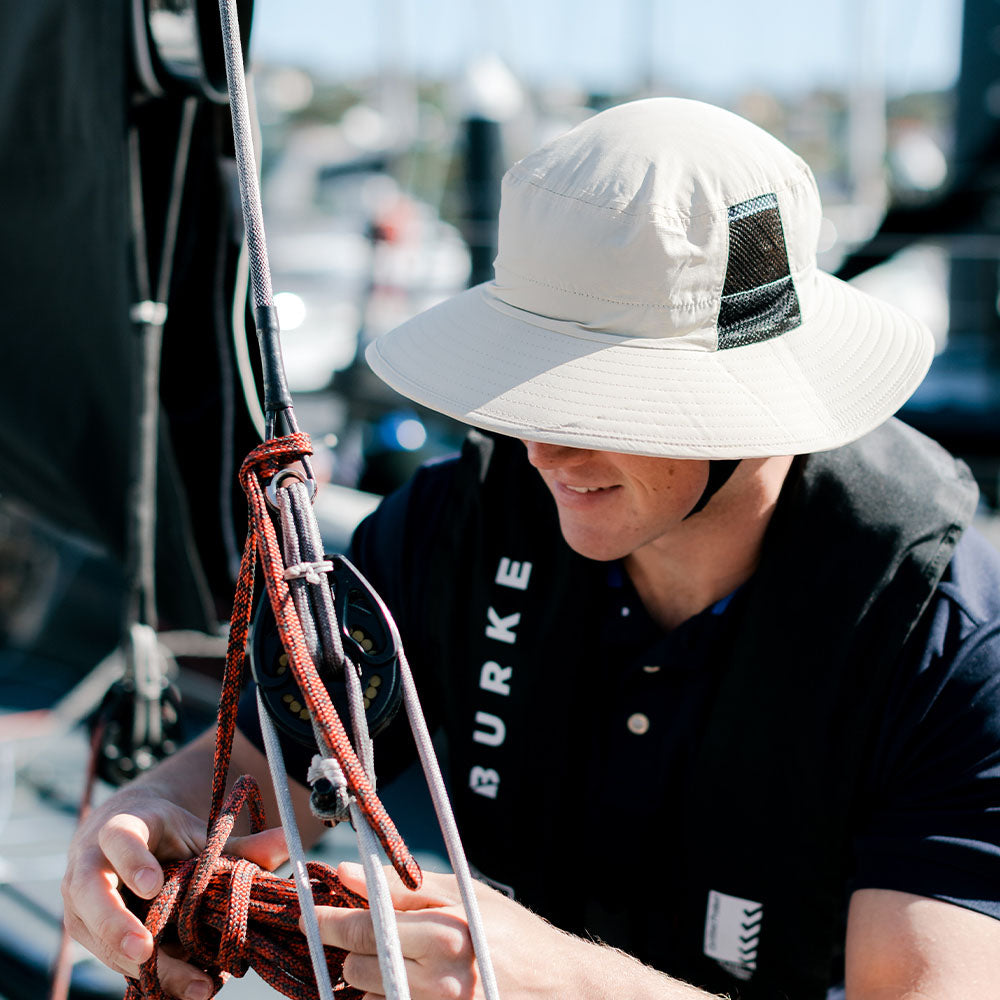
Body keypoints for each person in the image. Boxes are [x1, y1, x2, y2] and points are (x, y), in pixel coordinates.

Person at [62, 98, 1000, 1000]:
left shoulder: (948, 644)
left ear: (755, 395)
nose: (542, 449)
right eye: (529, 389)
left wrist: (561, 983)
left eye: (602, 400)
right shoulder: (455, 524)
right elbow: (281, 761)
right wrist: (156, 814)